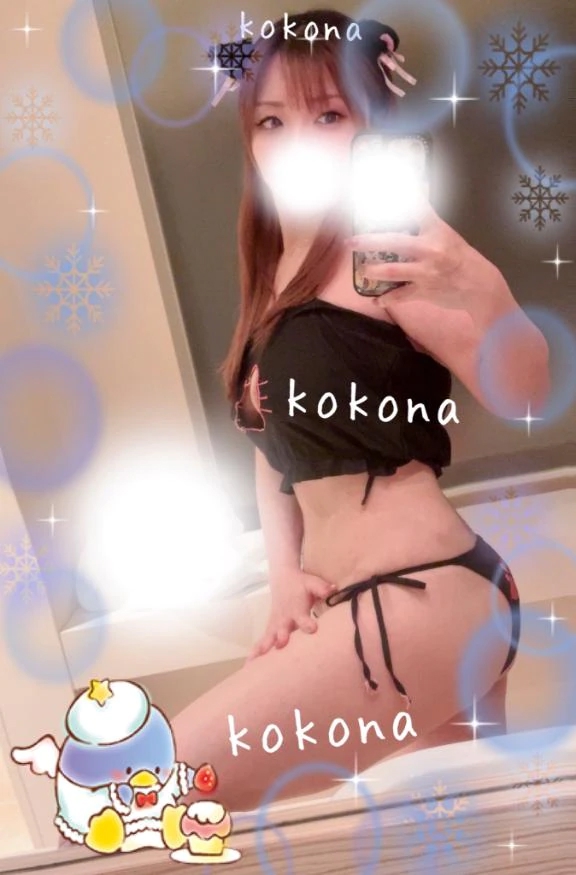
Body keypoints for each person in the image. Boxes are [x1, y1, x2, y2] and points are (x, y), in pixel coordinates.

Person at [172, 9, 550, 813]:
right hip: (369, 602)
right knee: (456, 844)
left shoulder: (390, 259)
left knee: (148, 785)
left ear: (373, 125)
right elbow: (272, 448)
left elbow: (525, 392)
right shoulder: (276, 275)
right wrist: (284, 575)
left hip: (424, 592)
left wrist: (480, 283)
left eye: (329, 115)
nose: (298, 142)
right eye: (271, 120)